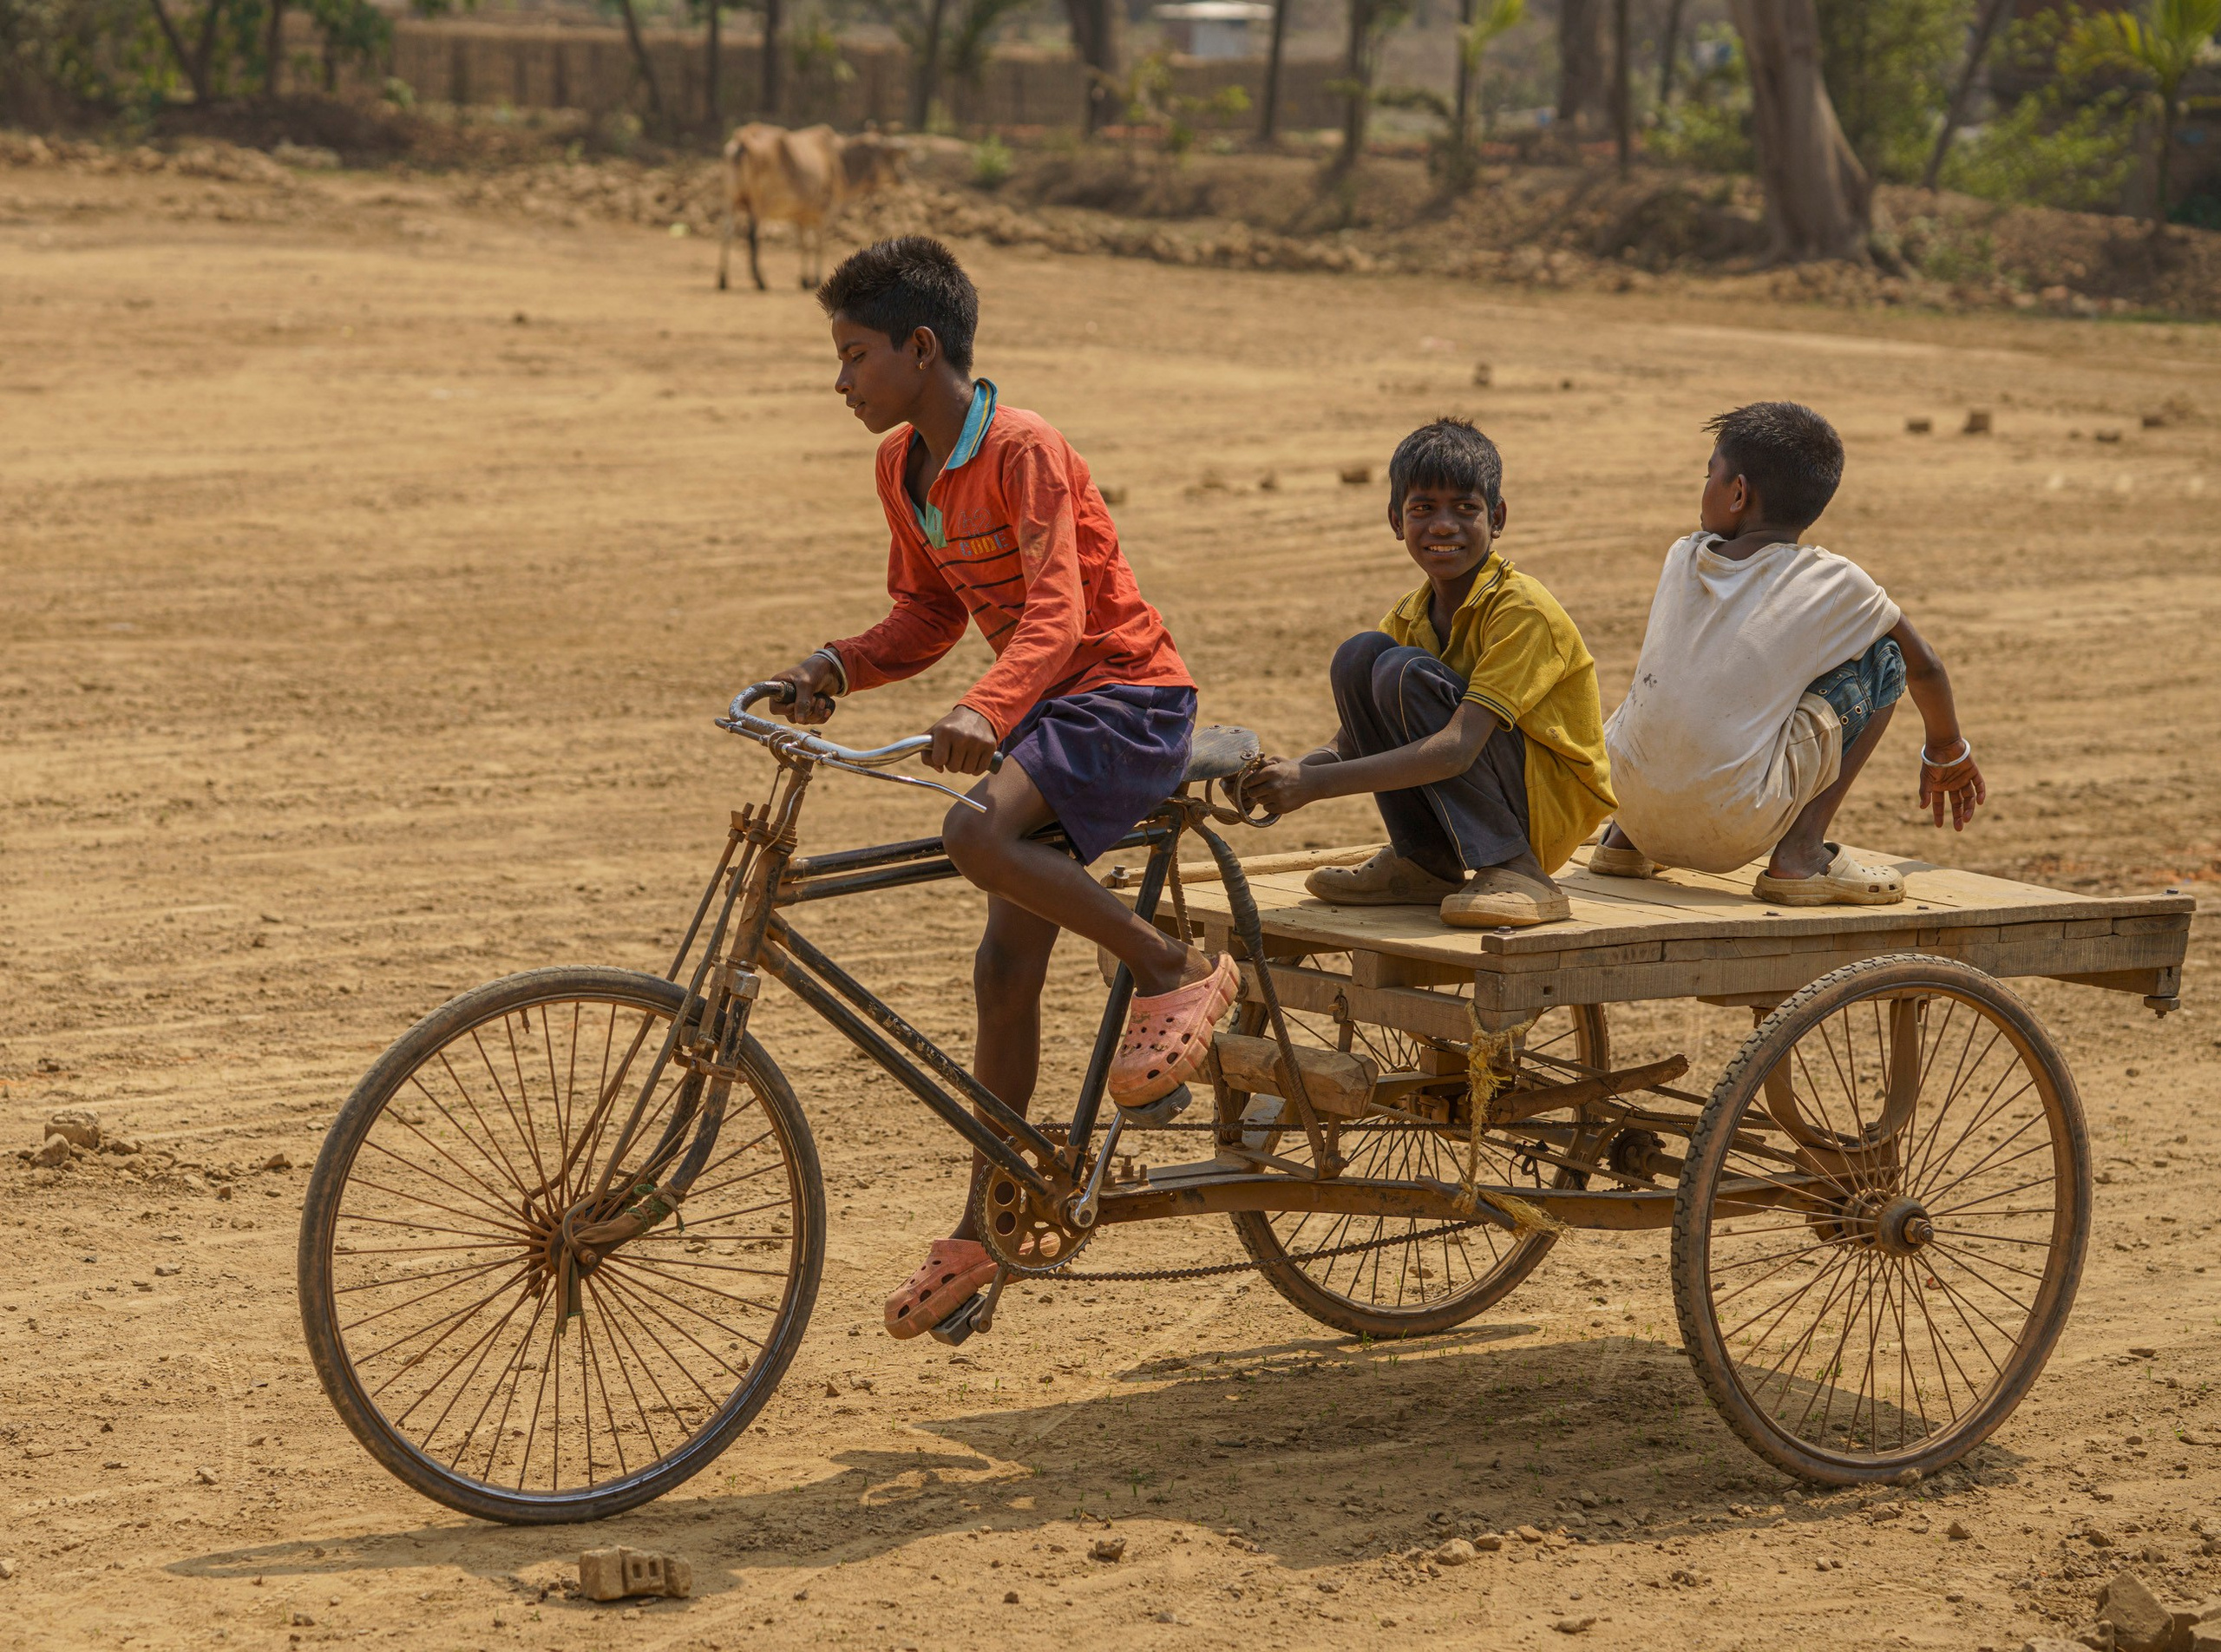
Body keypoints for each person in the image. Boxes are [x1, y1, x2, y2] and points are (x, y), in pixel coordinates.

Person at [763, 237, 1235, 1340]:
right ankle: (988, 1218)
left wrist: (984, 709)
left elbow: (1063, 615)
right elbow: (926, 615)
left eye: (853, 354)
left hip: (1124, 696)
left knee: (976, 832)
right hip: (1044, 712)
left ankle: (1172, 965)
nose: (840, 381)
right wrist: (832, 664)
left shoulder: (1025, 449)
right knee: (1001, 971)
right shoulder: (902, 468)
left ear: (920, 348)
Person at [1594, 401, 1985, 902]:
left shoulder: (1682, 556)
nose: (1704, 487)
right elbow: (1924, 665)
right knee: (1884, 656)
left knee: (1677, 680)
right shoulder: (1836, 582)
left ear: (1737, 494)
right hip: (1732, 827)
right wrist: (1947, 749)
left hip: (1624, 802)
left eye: (1708, 474)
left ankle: (1623, 844)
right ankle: (1800, 853)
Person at [1245, 417, 1615, 928]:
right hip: (1495, 791)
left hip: (1544, 809)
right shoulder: (1409, 615)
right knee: (1361, 655)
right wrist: (1277, 781)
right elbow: (1353, 743)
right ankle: (1425, 864)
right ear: (1397, 520)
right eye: (1423, 510)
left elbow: (1458, 748)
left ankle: (1518, 870)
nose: (1443, 526)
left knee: (1398, 670)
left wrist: (1313, 783)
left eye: (1466, 509)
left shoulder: (1521, 609)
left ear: (1498, 517)